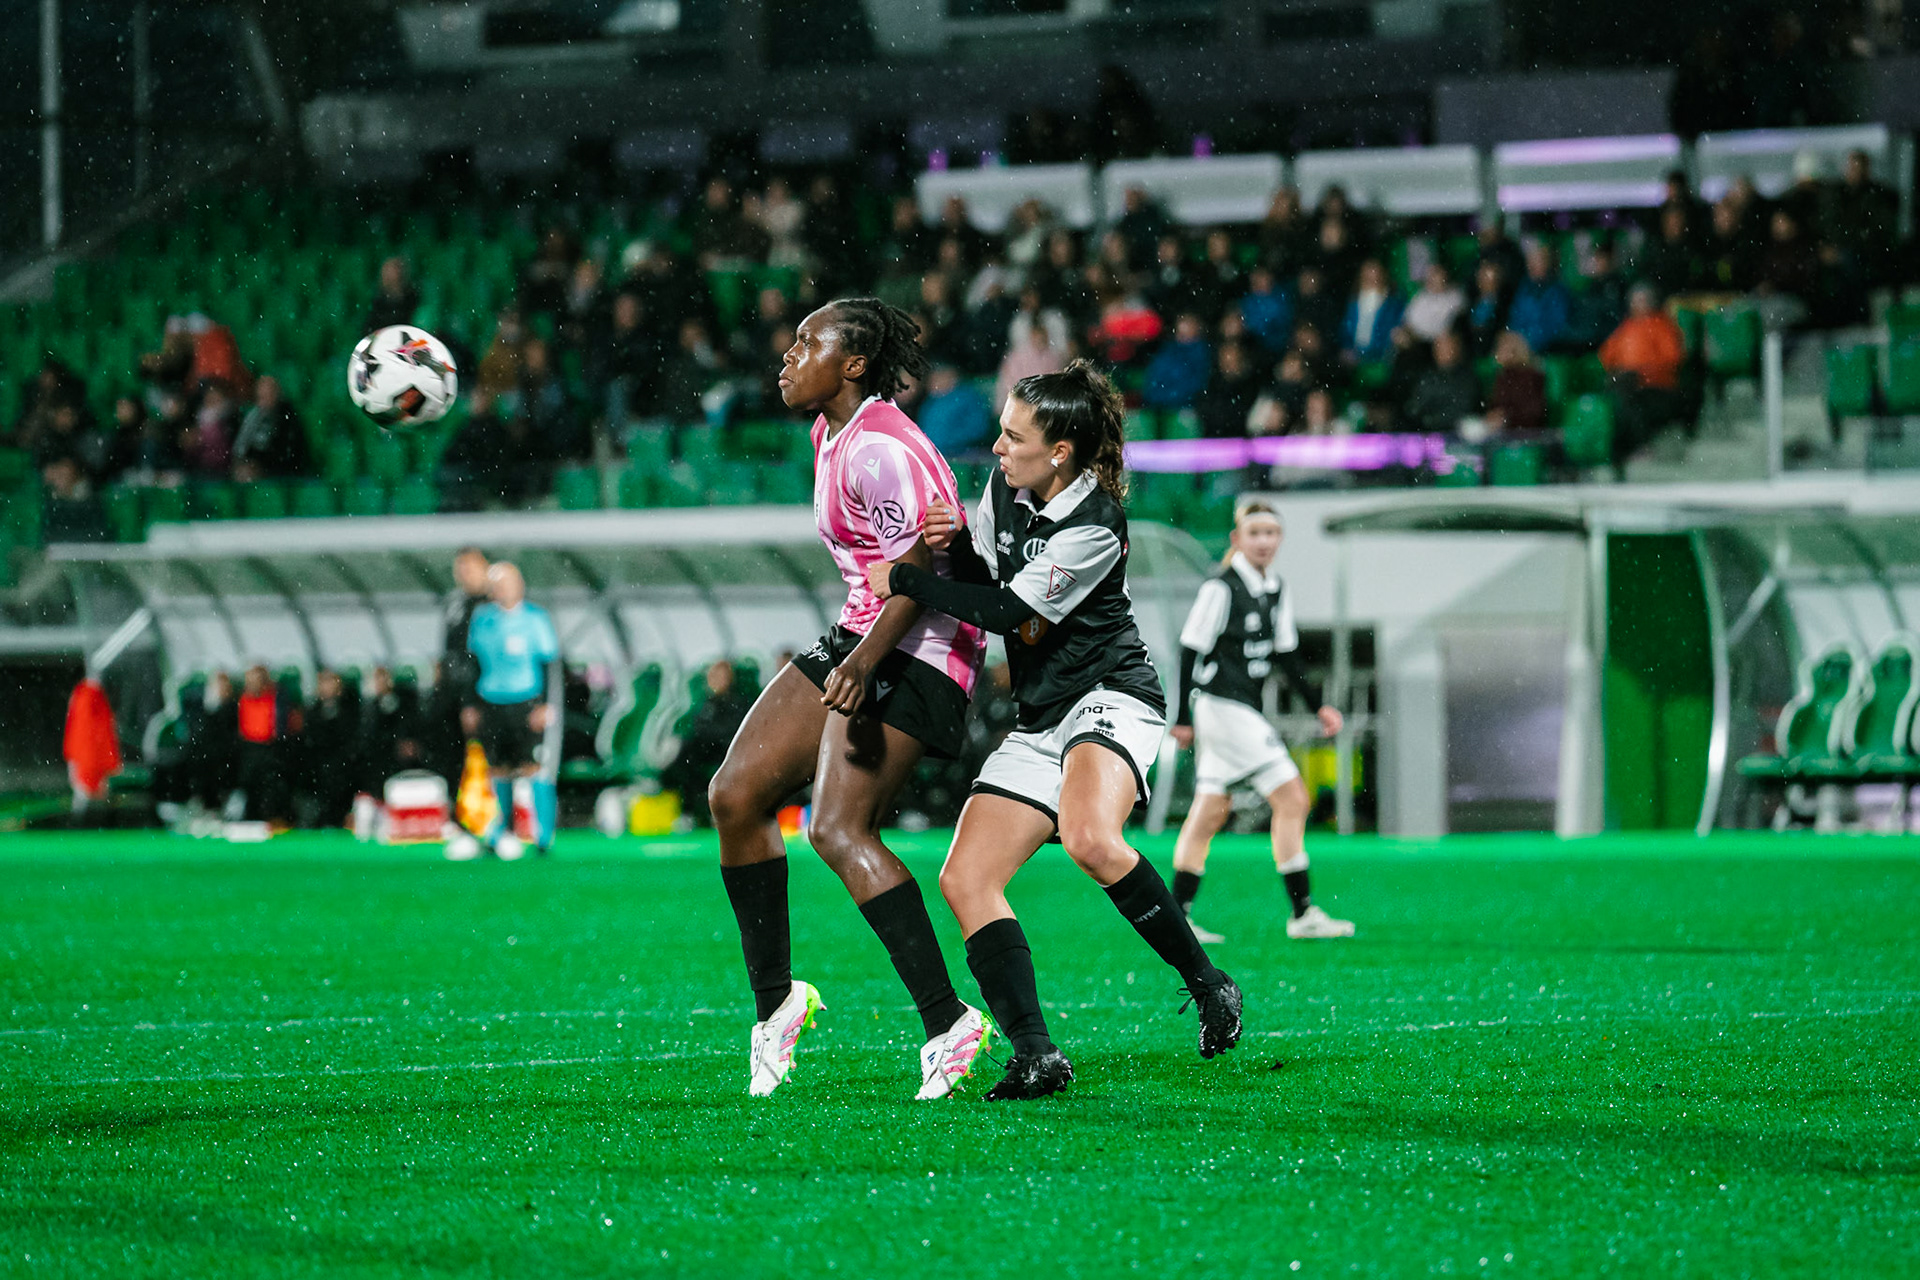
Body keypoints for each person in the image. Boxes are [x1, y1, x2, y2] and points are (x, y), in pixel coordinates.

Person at [868, 360, 1243, 1101]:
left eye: (1014, 437)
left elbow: (1010, 613)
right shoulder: (1003, 489)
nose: (998, 447)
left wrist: (908, 578)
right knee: (965, 876)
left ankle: (1209, 983)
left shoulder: (1097, 521)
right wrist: (954, 544)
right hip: (1041, 716)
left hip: (1111, 695)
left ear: (1061, 451)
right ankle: (1037, 1055)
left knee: (1090, 839)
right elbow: (987, 579)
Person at [707, 297, 990, 1103]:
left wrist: (864, 664)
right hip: (866, 631)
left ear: (854, 365)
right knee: (735, 795)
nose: (788, 357)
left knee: (837, 828)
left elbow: (922, 572)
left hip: (925, 646)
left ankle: (948, 1022)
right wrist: (858, 650)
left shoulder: (881, 449)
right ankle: (777, 1005)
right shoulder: (830, 434)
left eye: (808, 344)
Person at [1168, 501, 1352, 944]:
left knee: (1210, 812)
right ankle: (1302, 913)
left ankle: (1176, 918)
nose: (1264, 541)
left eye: (1271, 533)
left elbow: (1286, 656)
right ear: (1237, 539)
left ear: (1280, 539)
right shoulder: (1221, 587)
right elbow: (1189, 649)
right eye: (1255, 533)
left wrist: (1318, 706)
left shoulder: (1275, 587)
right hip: (1223, 708)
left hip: (1236, 710)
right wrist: (1181, 717)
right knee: (1293, 798)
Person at [446, 562, 560, 861]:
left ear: (519, 585)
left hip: (527, 702)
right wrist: (469, 704)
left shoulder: (536, 618)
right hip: (492, 702)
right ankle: (501, 831)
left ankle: (543, 836)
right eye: (496, 585)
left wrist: (546, 704)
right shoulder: (482, 619)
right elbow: (472, 663)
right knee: (497, 768)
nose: (502, 590)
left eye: (507, 583)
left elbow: (549, 663)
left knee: (533, 766)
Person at [664, 659, 755, 827]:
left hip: (728, 752)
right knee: (685, 759)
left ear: (730, 679)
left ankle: (716, 813)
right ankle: (690, 811)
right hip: (704, 753)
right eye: (714, 677)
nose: (717, 681)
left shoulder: (739, 703)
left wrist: (710, 737)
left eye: (722, 676)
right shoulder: (705, 704)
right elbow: (697, 729)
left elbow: (733, 731)